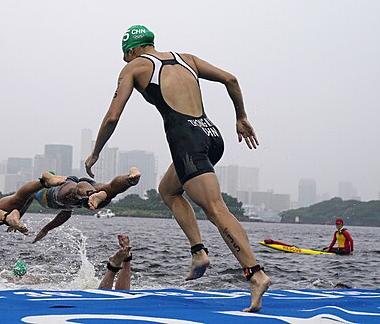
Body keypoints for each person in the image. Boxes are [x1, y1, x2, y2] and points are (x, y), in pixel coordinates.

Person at [85, 25, 270, 312]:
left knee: (216, 209)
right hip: (211, 135)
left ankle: (255, 274)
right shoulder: (188, 59)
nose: (126, 63)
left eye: (125, 57)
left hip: (187, 142)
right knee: (168, 190)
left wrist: (95, 153)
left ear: (132, 50)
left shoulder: (135, 67)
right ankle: (199, 253)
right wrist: (241, 117)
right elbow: (230, 79)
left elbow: (112, 117)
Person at [31, 167, 141, 243]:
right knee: (110, 189)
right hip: (84, 195)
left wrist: (46, 229)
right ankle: (131, 178)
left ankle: (92, 194)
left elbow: (22, 200)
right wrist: (46, 229)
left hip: (66, 192)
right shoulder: (67, 206)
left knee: (74, 191)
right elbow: (65, 214)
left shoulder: (38, 191)